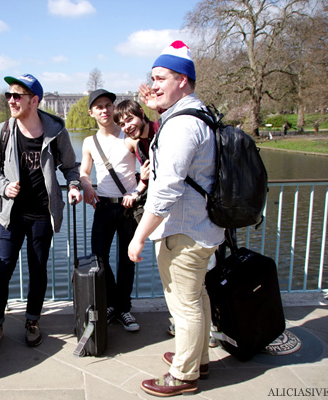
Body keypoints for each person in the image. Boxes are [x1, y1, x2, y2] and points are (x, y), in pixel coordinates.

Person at [128, 41, 225, 396]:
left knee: (184, 306)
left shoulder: (182, 126)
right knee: (196, 297)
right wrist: (155, 108)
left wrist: (139, 236)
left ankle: (184, 376)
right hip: (201, 227)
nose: (152, 84)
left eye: (160, 77)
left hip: (184, 231)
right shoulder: (195, 115)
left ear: (183, 80)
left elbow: (166, 189)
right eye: (151, 77)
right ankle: (196, 358)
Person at [0, 74, 82, 350]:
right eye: (9, 96)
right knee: (1, 272)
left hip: (42, 216)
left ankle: (32, 321)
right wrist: (3, 186)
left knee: (38, 270)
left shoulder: (56, 131)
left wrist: (73, 185)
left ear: (34, 100)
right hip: (10, 216)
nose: (11, 101)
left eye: (18, 96)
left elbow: (70, 167)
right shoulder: (1, 132)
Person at [79, 89, 147, 332]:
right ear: (92, 113)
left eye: (108, 104)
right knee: (99, 258)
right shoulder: (90, 142)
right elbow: (84, 172)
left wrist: (137, 190)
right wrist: (86, 185)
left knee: (127, 260)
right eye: (99, 106)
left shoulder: (128, 137)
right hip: (103, 207)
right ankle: (112, 305)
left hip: (128, 208)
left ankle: (124, 308)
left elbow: (149, 169)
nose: (105, 110)